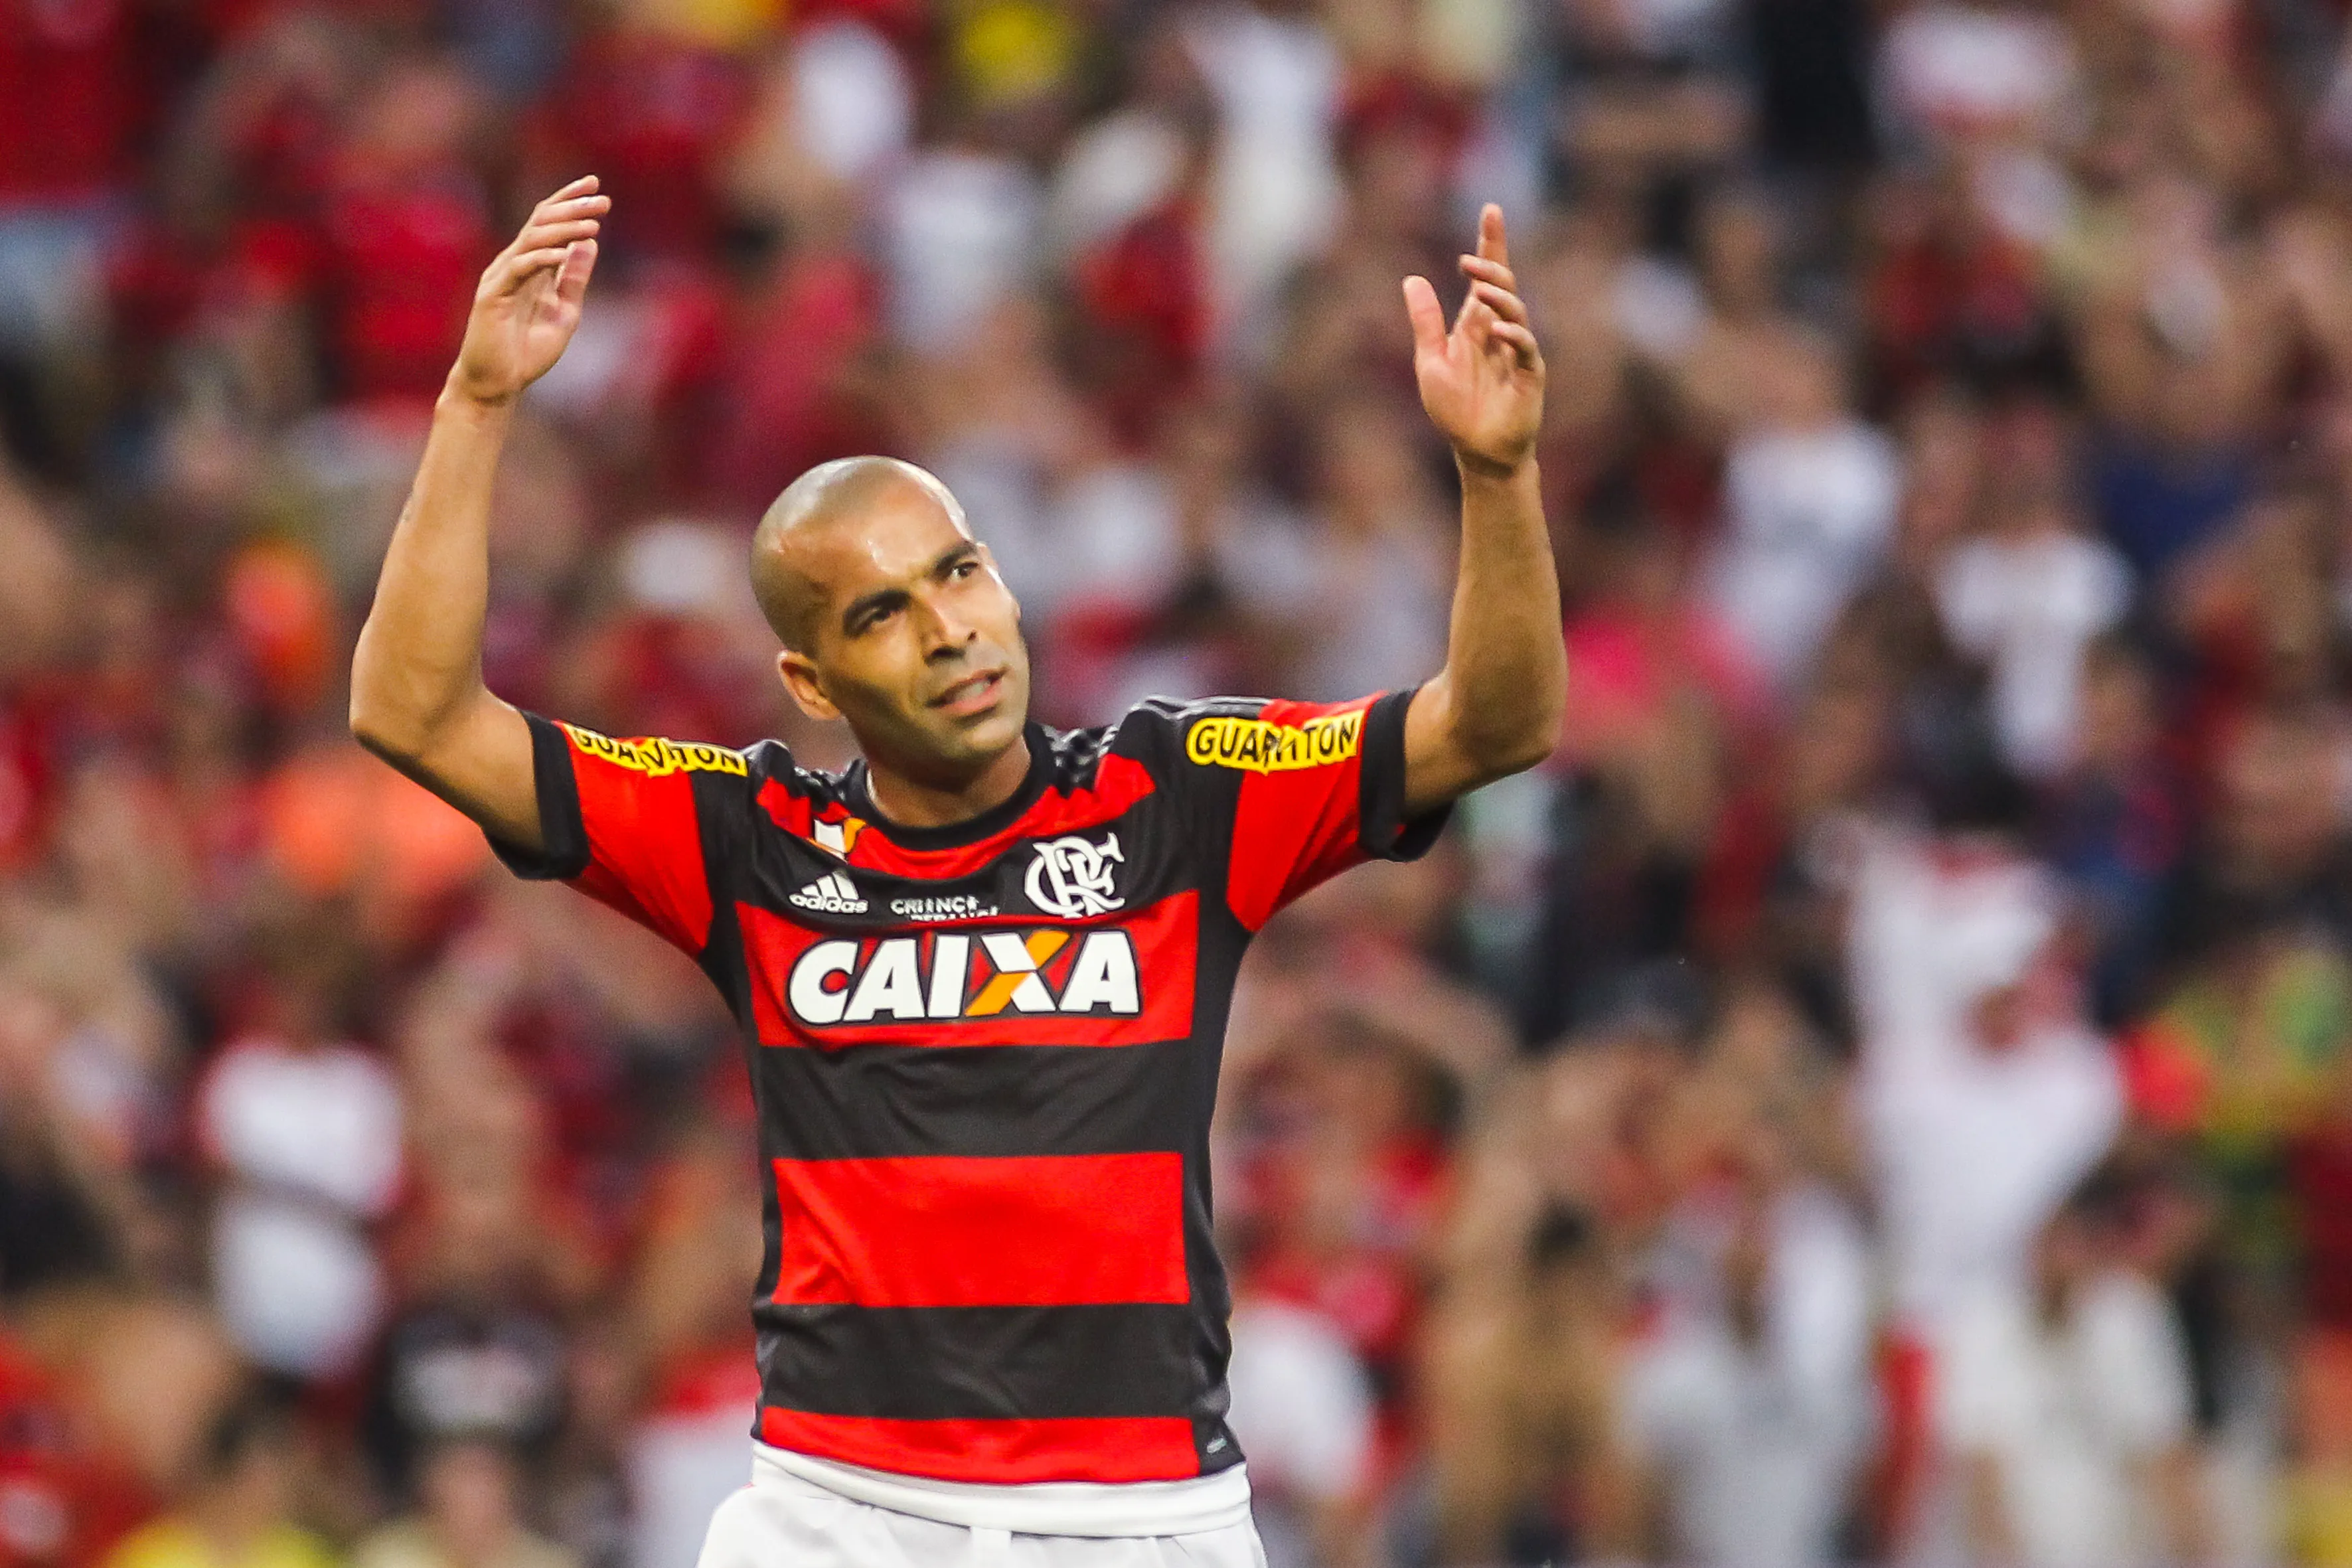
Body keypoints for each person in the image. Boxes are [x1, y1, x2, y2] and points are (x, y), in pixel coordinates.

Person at [347, 176, 1563, 1567]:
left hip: (1144, 1520)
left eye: (960, 572)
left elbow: (1497, 720)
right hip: (831, 1514)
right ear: (809, 676)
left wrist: (1496, 471)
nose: (947, 630)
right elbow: (415, 711)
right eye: (880, 612)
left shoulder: (1184, 792)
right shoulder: (744, 837)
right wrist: (478, 406)